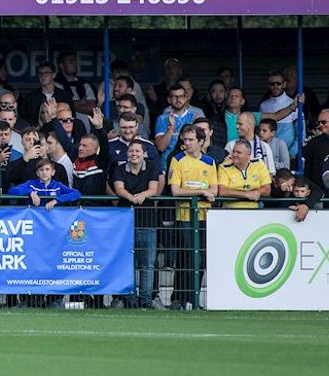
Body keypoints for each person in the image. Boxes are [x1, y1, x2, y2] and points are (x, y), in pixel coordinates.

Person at [166, 127, 219, 309]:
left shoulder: (210, 162)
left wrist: (204, 192)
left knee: (201, 259)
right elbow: (176, 190)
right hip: (185, 217)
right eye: (185, 140)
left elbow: (214, 190)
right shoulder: (178, 159)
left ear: (201, 142)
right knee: (187, 257)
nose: (187, 143)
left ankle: (193, 298)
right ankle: (180, 298)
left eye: (191, 140)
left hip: (204, 216)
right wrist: (201, 192)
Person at [109, 139, 162, 308]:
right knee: (127, 263)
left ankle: (146, 300)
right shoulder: (119, 169)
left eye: (137, 151)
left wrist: (141, 196)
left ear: (145, 154)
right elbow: (119, 188)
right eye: (131, 151)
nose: (134, 154)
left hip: (147, 220)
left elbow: (153, 189)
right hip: (126, 222)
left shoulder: (152, 167)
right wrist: (131, 198)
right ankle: (130, 300)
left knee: (147, 264)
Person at [216, 139, 270, 209]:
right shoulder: (224, 167)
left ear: (248, 155)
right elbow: (222, 191)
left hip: (254, 211)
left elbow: (267, 189)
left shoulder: (259, 164)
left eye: (239, 152)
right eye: (233, 151)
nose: (234, 154)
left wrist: (255, 193)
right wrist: (246, 194)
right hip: (230, 212)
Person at [259, 69, 302, 155]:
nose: (275, 86)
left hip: (288, 153)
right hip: (267, 153)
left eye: (279, 83)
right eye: (272, 84)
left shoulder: (294, 103)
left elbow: (301, 133)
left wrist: (292, 153)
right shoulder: (263, 105)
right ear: (268, 85)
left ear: (284, 84)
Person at [7, 159, 80, 208]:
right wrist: (30, 192)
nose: (44, 172)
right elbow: (11, 191)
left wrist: (57, 200)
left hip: (54, 222)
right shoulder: (31, 184)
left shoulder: (58, 185)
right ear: (37, 173)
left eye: (47, 169)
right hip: (34, 221)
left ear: (53, 172)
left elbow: (76, 194)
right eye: (41, 170)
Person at [153, 84, 201, 159]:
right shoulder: (162, 119)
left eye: (181, 96)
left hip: (190, 163)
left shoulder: (194, 117)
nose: (178, 99)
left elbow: (200, 143)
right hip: (166, 165)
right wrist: (171, 128)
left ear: (185, 98)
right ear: (169, 100)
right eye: (174, 96)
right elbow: (161, 147)